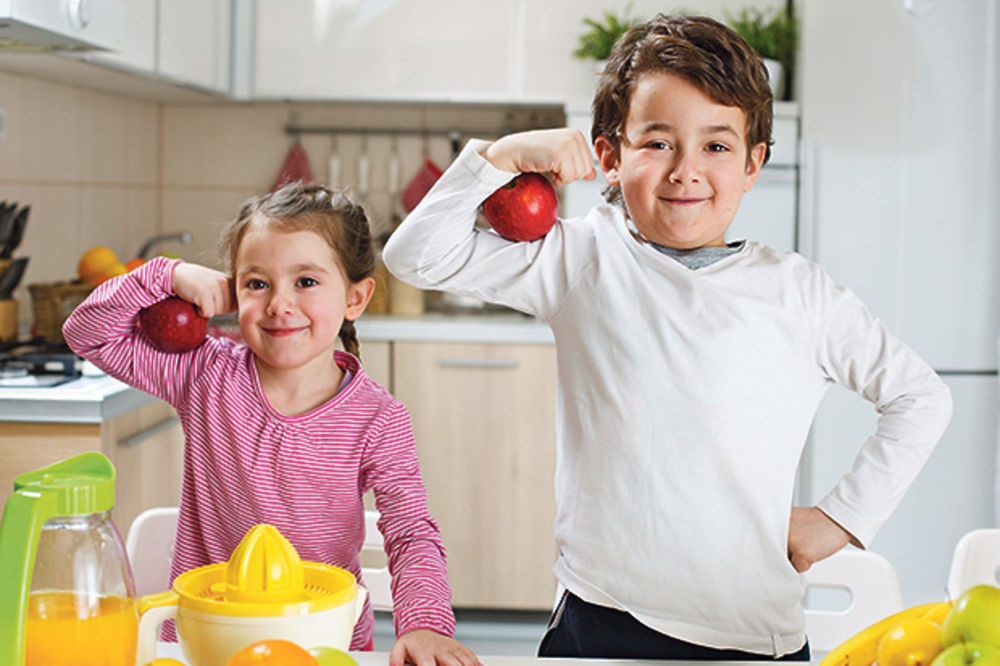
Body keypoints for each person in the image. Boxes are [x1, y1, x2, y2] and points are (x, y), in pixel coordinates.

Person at [383, 13, 952, 661]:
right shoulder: (580, 258)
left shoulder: (800, 292)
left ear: (752, 164)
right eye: (657, 143)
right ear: (608, 157)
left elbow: (920, 398)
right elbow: (416, 258)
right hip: (596, 618)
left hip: (749, 633)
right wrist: (497, 159)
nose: (686, 170)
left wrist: (843, 516)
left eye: (716, 146)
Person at [63, 183, 480, 666]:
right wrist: (168, 274)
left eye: (305, 281)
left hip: (325, 642)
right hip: (204, 642)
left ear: (355, 297)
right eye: (257, 283)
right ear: (232, 290)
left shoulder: (378, 418)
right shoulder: (202, 373)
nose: (279, 303)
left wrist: (425, 626)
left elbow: (411, 533)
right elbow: (85, 334)